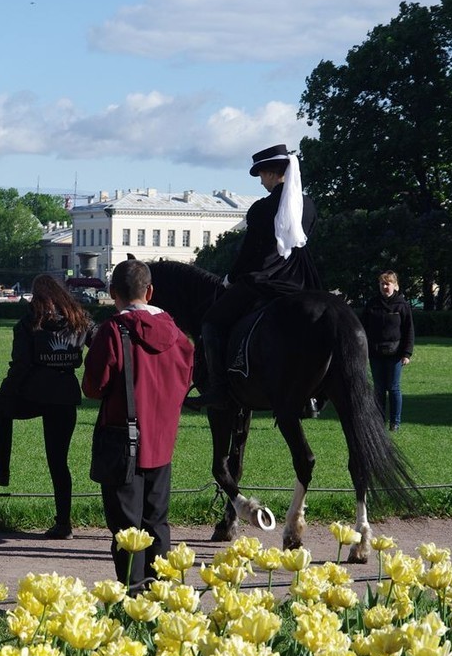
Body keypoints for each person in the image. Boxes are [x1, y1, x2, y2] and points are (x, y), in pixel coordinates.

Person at [82, 259, 194, 592]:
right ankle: (159, 593)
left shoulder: (113, 331)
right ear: (150, 292)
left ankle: (132, 596)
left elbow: (93, 387)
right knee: (156, 522)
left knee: (127, 530)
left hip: (122, 439)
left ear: (112, 292)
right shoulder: (175, 333)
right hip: (162, 441)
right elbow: (186, 378)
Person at [185, 144, 322, 409]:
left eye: (261, 175)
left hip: (266, 278)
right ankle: (315, 393)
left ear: (271, 173)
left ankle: (219, 389)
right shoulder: (309, 205)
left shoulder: (262, 208)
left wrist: (231, 277)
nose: (261, 182)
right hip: (303, 279)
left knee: (212, 322)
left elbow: (250, 253)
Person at [0, 274, 94, 539]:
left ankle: (2, 469)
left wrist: (6, 393)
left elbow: (21, 365)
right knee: (59, 462)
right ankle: (64, 523)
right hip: (65, 394)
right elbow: (100, 343)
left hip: (35, 393)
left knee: (2, 410)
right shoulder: (79, 321)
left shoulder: (30, 322)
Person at [361, 270, 414, 431]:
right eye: (382, 283)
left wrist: (407, 353)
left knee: (393, 388)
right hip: (375, 353)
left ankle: (395, 422)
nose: (385, 286)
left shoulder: (402, 305)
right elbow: (362, 328)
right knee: (378, 388)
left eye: (388, 283)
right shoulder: (372, 304)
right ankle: (379, 421)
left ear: (395, 286)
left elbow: (408, 331)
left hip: (395, 354)